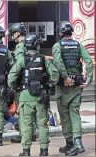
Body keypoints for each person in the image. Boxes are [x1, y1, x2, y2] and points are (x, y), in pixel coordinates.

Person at [8, 33, 59, 156]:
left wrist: (16, 88)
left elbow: (11, 78)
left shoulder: (22, 60)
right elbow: (55, 76)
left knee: (26, 124)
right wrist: (47, 85)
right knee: (42, 123)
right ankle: (44, 150)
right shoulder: (43, 59)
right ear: (37, 46)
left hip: (25, 96)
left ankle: (26, 151)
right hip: (41, 96)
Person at [52, 21, 94, 156]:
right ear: (71, 32)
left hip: (63, 86)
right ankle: (77, 143)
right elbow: (88, 61)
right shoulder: (78, 45)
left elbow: (58, 62)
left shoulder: (57, 46)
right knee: (75, 114)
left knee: (64, 115)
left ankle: (70, 142)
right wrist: (89, 80)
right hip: (76, 85)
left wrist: (64, 77)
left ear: (60, 33)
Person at [7, 23, 38, 143]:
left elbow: (19, 64)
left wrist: (14, 83)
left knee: (22, 110)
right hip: (34, 79)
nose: (13, 36)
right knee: (33, 109)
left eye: (13, 34)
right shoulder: (31, 43)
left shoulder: (20, 46)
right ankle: (33, 133)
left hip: (23, 81)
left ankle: (23, 135)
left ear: (17, 33)